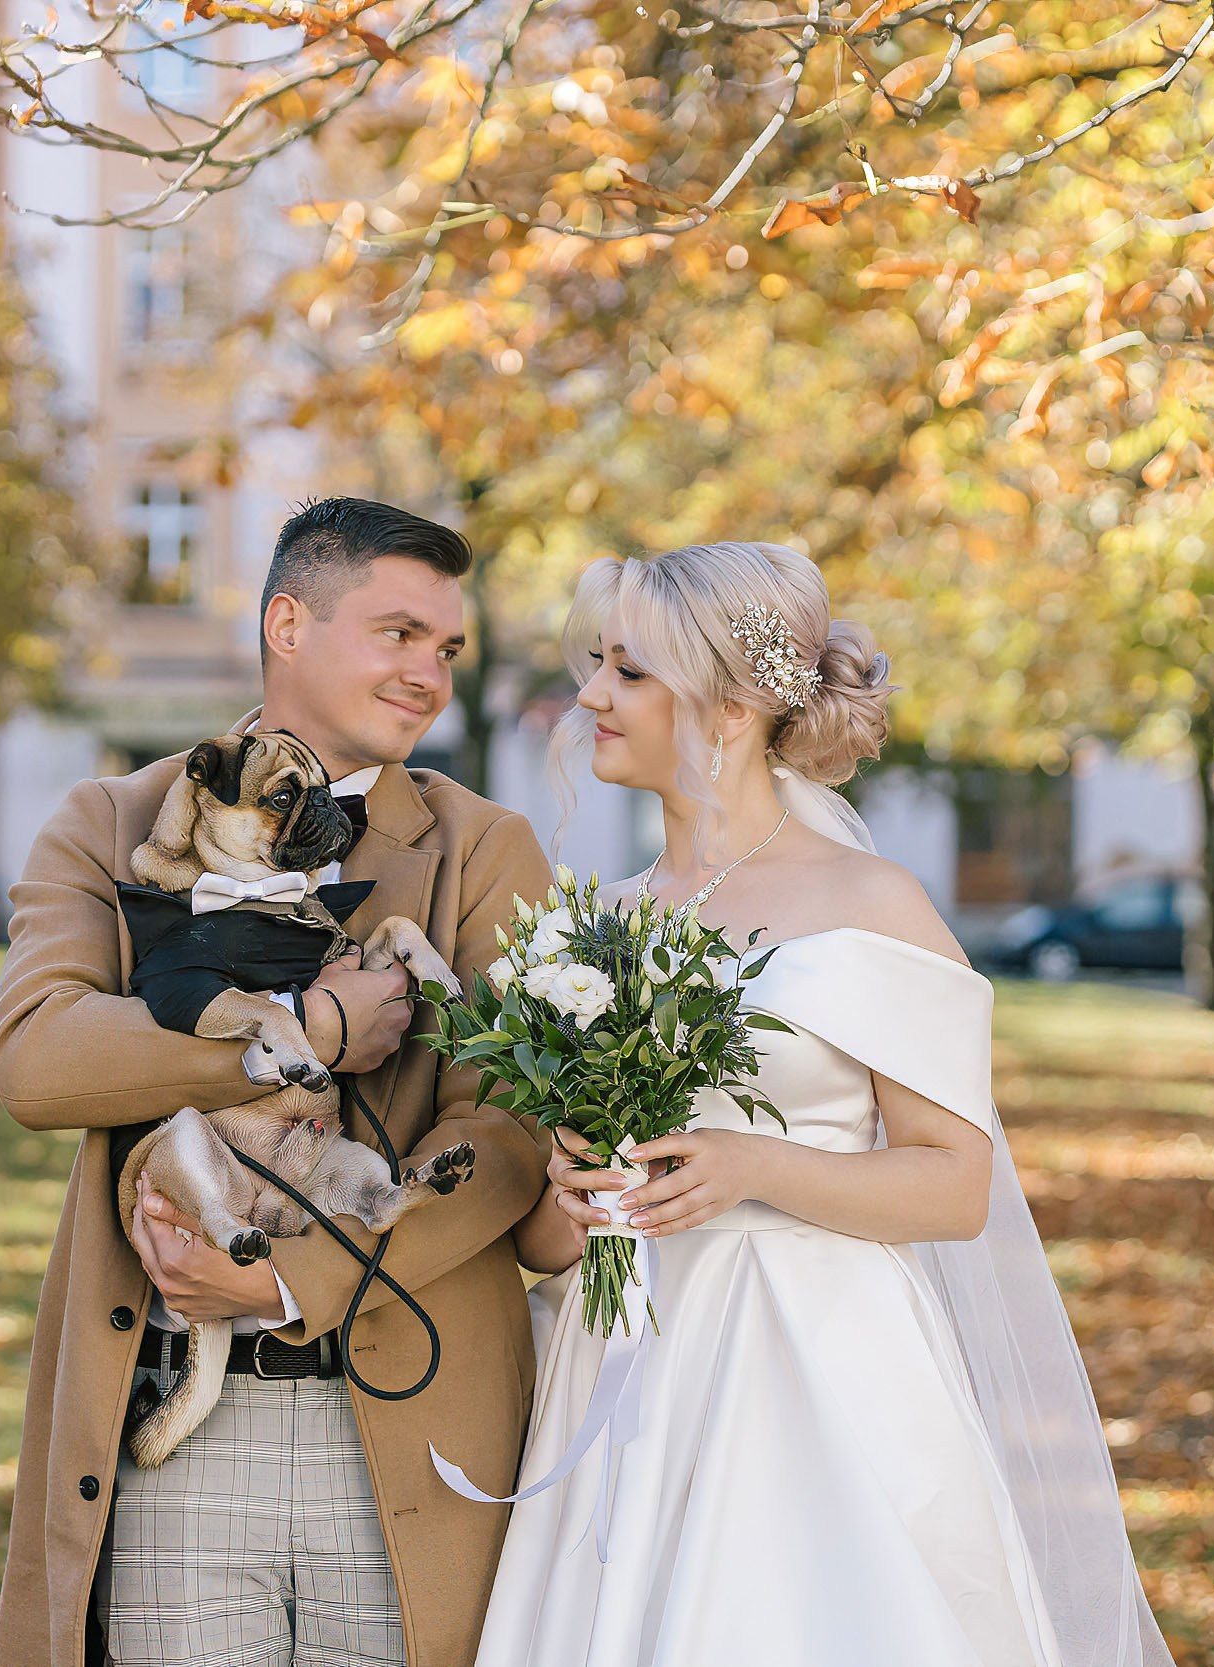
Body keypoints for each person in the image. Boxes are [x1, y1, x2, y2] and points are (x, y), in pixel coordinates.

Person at [477, 542, 1175, 1667]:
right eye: (595, 666)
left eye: (629, 672)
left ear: (735, 703)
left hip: (817, 1369)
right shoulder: (590, 921)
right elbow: (549, 1243)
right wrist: (572, 1194)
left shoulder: (869, 902)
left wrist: (749, 1165)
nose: (591, 697)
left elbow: (955, 1182)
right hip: (620, 1368)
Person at [0, 498, 557, 1667]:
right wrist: (300, 1029)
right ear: (288, 622)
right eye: (399, 632)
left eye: (446, 647)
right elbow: (39, 1056)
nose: (428, 672)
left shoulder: (486, 847)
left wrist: (287, 1283)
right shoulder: (110, 823)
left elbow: (507, 1135)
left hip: (411, 1421)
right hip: (178, 1426)